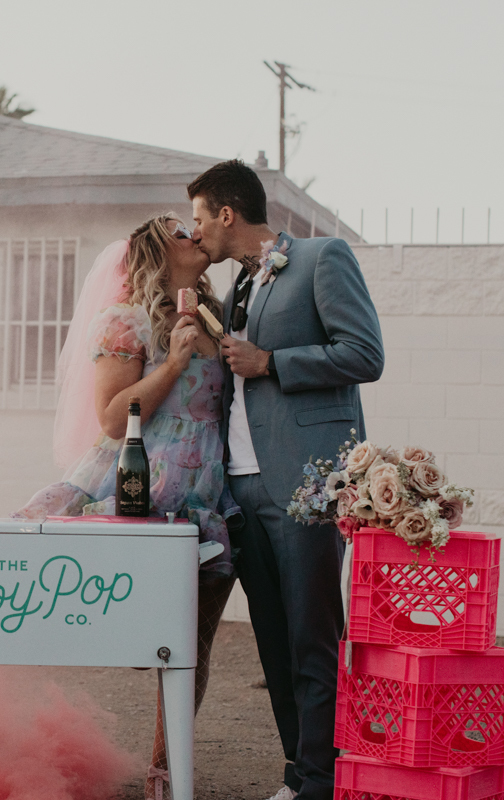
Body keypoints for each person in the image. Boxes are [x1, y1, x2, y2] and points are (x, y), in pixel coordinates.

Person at [14, 212, 236, 800]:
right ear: (157, 254)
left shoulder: (218, 319)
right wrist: (173, 363)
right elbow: (114, 417)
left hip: (206, 498)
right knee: (142, 641)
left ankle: (165, 773)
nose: (195, 233)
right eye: (180, 231)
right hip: (142, 491)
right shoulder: (125, 321)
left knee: (193, 647)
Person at [187, 160, 384, 800]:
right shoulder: (239, 289)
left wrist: (272, 362)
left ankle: (324, 784)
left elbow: (365, 354)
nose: (195, 236)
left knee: (312, 637)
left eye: (198, 220)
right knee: (273, 641)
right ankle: (300, 774)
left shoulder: (323, 258)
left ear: (227, 214)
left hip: (305, 480)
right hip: (241, 487)